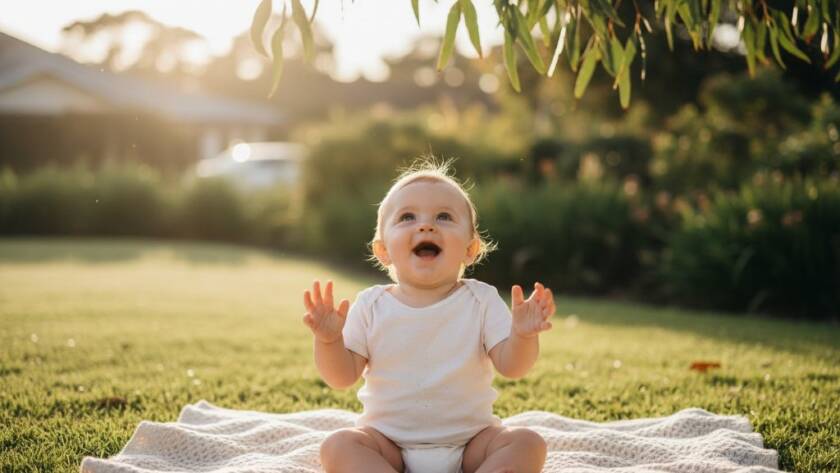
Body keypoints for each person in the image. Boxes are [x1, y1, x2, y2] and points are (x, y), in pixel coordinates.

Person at [302, 160, 555, 473]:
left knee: (528, 443)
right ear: (383, 251)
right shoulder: (371, 305)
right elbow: (341, 377)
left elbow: (512, 366)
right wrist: (328, 341)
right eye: (407, 217)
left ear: (470, 249)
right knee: (338, 446)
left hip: (472, 443)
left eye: (444, 217)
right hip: (387, 443)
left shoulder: (481, 300)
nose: (426, 226)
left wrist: (524, 335)